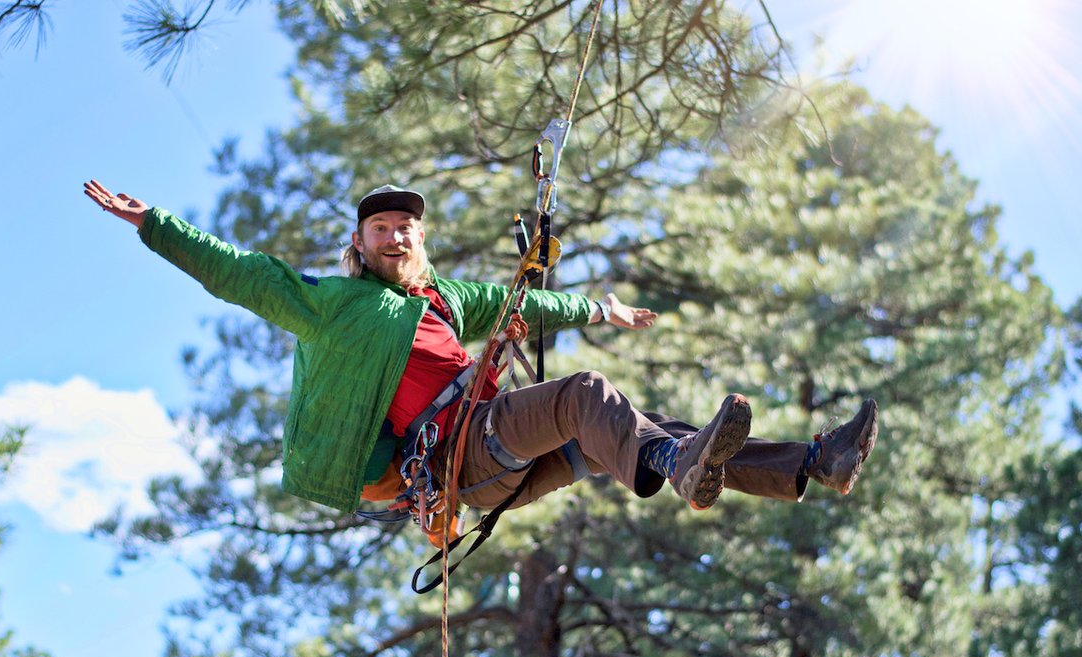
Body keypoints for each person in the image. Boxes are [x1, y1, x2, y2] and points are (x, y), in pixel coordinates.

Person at [83, 179, 878, 524]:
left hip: (499, 455)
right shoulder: (334, 306)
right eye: (380, 227)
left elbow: (527, 302)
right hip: (460, 454)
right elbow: (240, 273)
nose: (395, 234)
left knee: (652, 426)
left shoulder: (446, 300)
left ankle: (812, 465)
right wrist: (156, 224)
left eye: (406, 226)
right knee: (584, 397)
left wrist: (602, 306)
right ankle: (676, 471)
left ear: (420, 238)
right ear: (359, 244)